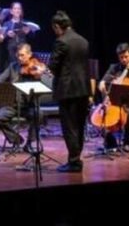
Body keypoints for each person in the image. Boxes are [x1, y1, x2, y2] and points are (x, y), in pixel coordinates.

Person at [48, 10, 90, 173]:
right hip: (83, 89)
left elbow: (53, 65)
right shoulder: (83, 41)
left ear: (57, 26)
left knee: (70, 127)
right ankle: (76, 159)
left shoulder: (61, 41)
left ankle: (74, 162)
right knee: (79, 126)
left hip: (67, 90)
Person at [0, 43, 46, 149]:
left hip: (28, 105)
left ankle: (29, 143)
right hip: (12, 104)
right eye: (18, 55)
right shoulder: (13, 67)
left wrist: (39, 77)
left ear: (30, 54)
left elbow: (42, 89)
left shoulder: (35, 68)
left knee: (38, 115)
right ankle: (16, 139)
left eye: (22, 55)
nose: (19, 58)